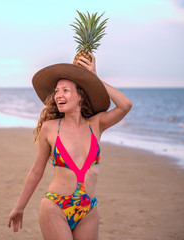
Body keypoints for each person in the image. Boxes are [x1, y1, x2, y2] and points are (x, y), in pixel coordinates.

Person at [8, 53, 132, 240]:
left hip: (88, 208)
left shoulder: (96, 124)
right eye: (57, 91)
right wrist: (19, 207)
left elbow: (125, 105)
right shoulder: (50, 128)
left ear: (81, 96)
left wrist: (95, 78)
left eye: (65, 90)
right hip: (55, 206)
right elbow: (36, 172)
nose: (58, 95)